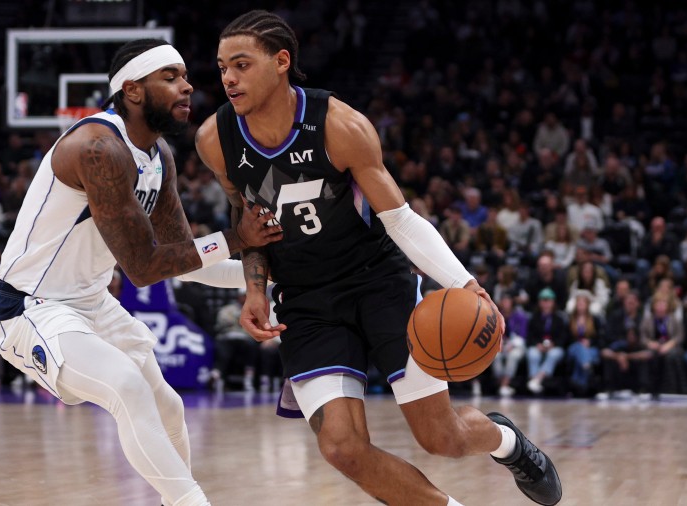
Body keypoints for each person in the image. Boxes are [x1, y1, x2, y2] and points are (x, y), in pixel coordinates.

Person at [194, 11, 561, 506]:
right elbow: (249, 225)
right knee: (342, 449)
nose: (228, 79)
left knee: (442, 438)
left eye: (241, 64)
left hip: (377, 282)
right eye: (221, 68)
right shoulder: (215, 140)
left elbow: (402, 220)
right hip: (304, 300)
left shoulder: (340, 125)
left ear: (282, 62)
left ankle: (506, 441)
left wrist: (466, 283)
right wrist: (256, 290)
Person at [0, 39, 281, 506]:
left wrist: (270, 282)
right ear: (133, 89)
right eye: (170, 77)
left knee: (169, 406)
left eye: (185, 76)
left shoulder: (158, 155)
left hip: (90, 302)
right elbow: (143, 268)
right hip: (30, 308)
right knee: (126, 385)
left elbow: (185, 261)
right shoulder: (97, 148)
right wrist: (235, 237)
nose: (187, 87)